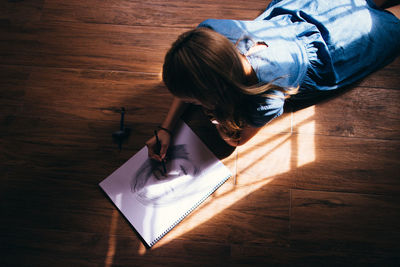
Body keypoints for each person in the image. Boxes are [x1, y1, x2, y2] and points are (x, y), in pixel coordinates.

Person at [146, 0, 400, 161]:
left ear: (215, 94)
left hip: (339, 44)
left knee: (391, 21)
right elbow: (192, 77)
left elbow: (236, 140)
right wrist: (166, 128)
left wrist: (218, 118)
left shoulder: (264, 97)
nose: (189, 102)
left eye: (194, 99)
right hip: (312, 9)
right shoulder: (209, 32)